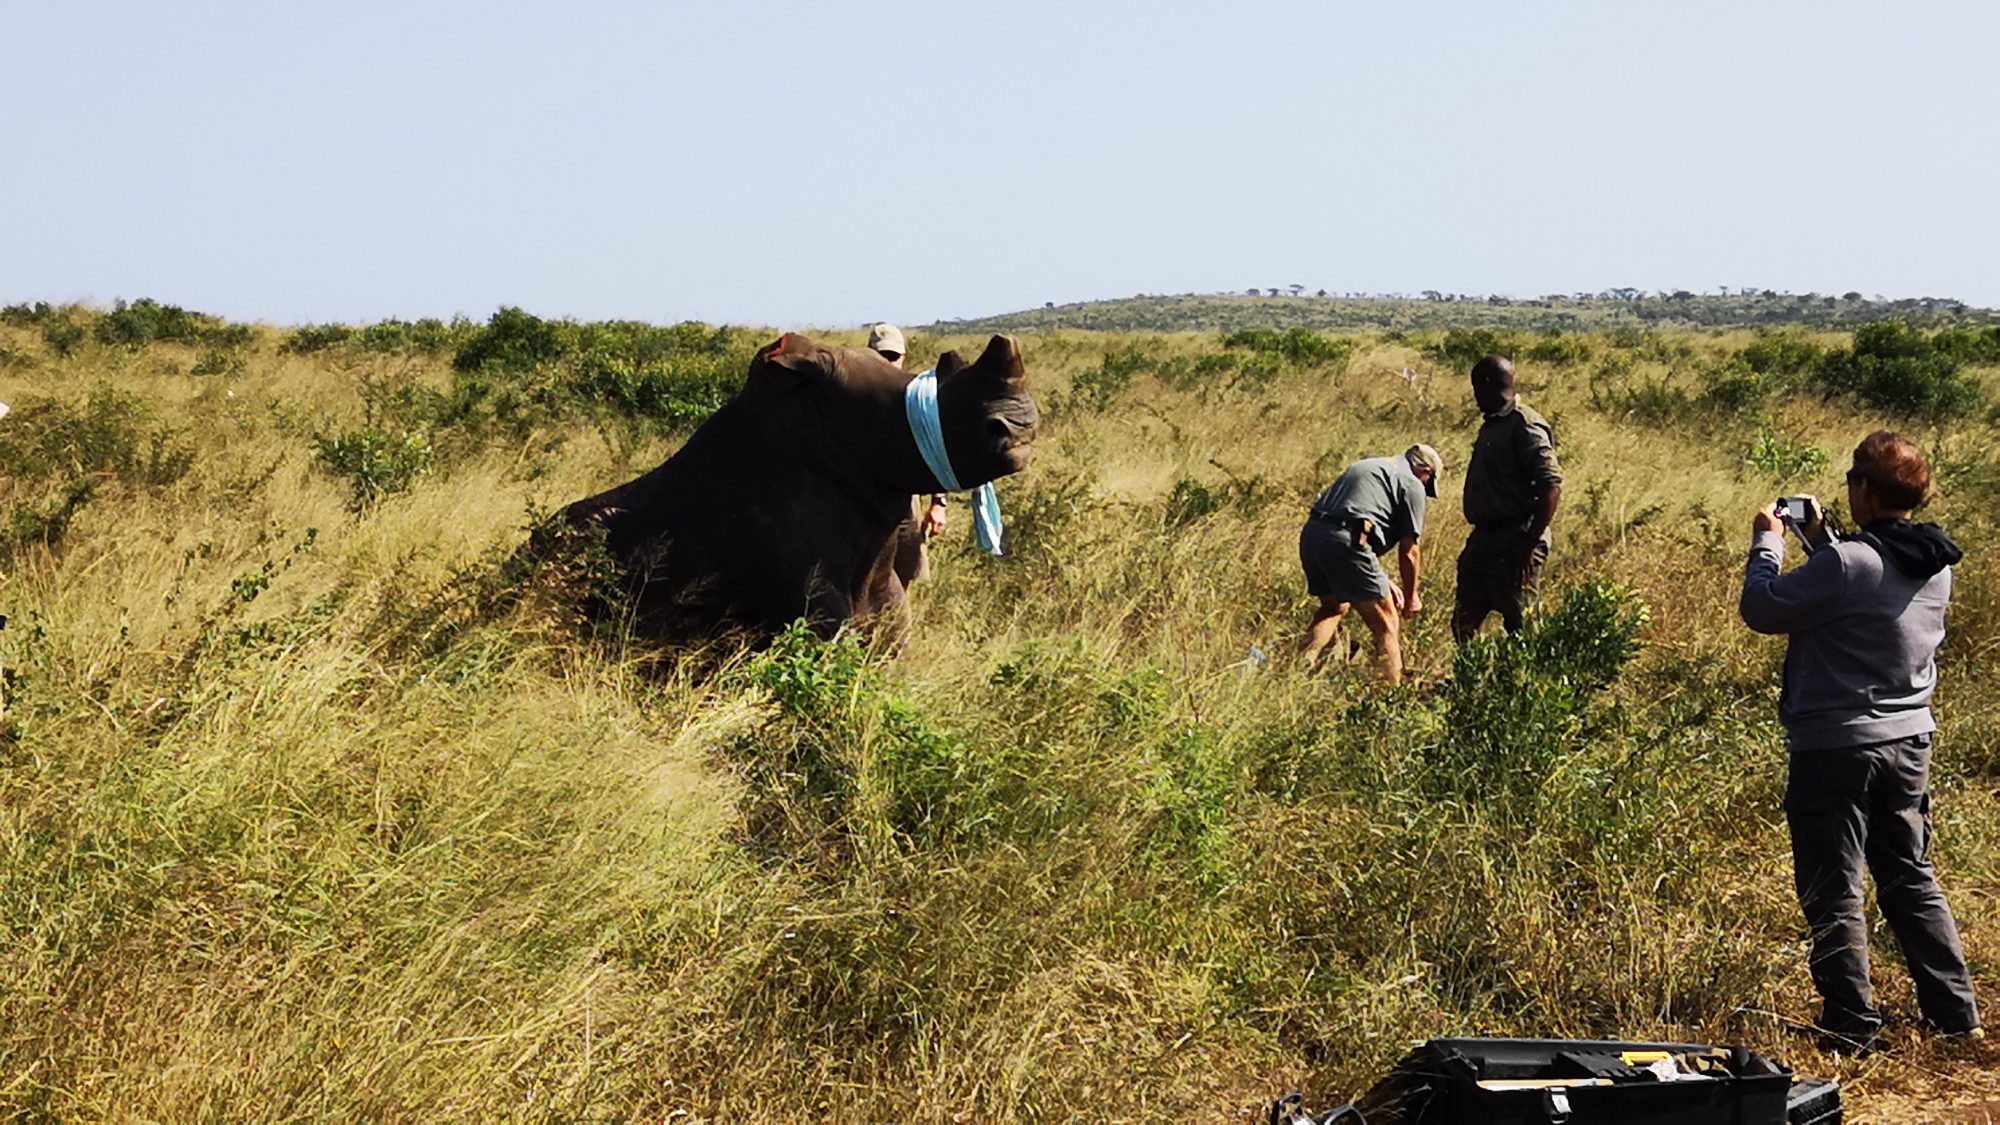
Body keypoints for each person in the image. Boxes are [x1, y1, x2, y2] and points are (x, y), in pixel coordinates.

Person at [1740, 431, 1982, 1052]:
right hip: (1909, 741)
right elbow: (1869, 578)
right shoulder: (1934, 561)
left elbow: (1763, 609)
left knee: (1834, 882)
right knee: (1909, 873)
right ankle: (1955, 1013)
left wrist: (1768, 542)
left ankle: (1852, 1021)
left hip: (1836, 744)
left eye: (1854, 478)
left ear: (1866, 491)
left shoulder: (1848, 563)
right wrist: (1823, 542)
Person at [1298, 444, 1445, 685]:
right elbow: (1409, 552)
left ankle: (1301, 667)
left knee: (1335, 607)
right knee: (1386, 624)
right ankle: (1390, 696)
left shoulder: (1370, 465)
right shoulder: (1412, 484)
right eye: (1428, 484)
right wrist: (1411, 597)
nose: (1425, 491)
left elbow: (1351, 517)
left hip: (1313, 536)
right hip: (1347, 542)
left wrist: (1382, 578)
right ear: (1425, 471)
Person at [1453, 354, 1562, 643]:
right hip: (1484, 539)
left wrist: (1529, 541)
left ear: (1487, 384)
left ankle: (1521, 685)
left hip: (1515, 538)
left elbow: (1551, 484)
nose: (1475, 396)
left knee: (1521, 625)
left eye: (1477, 387)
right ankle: (1472, 682)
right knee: (1464, 622)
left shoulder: (1524, 424)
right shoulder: (1493, 423)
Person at [868, 323, 948, 582]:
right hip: (862, 498)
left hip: (905, 499)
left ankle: (895, 621)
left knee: (906, 568)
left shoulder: (918, 397)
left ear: (903, 357)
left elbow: (937, 450)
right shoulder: (856, 393)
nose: (887, 363)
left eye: (892, 357)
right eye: (881, 356)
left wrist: (939, 503)